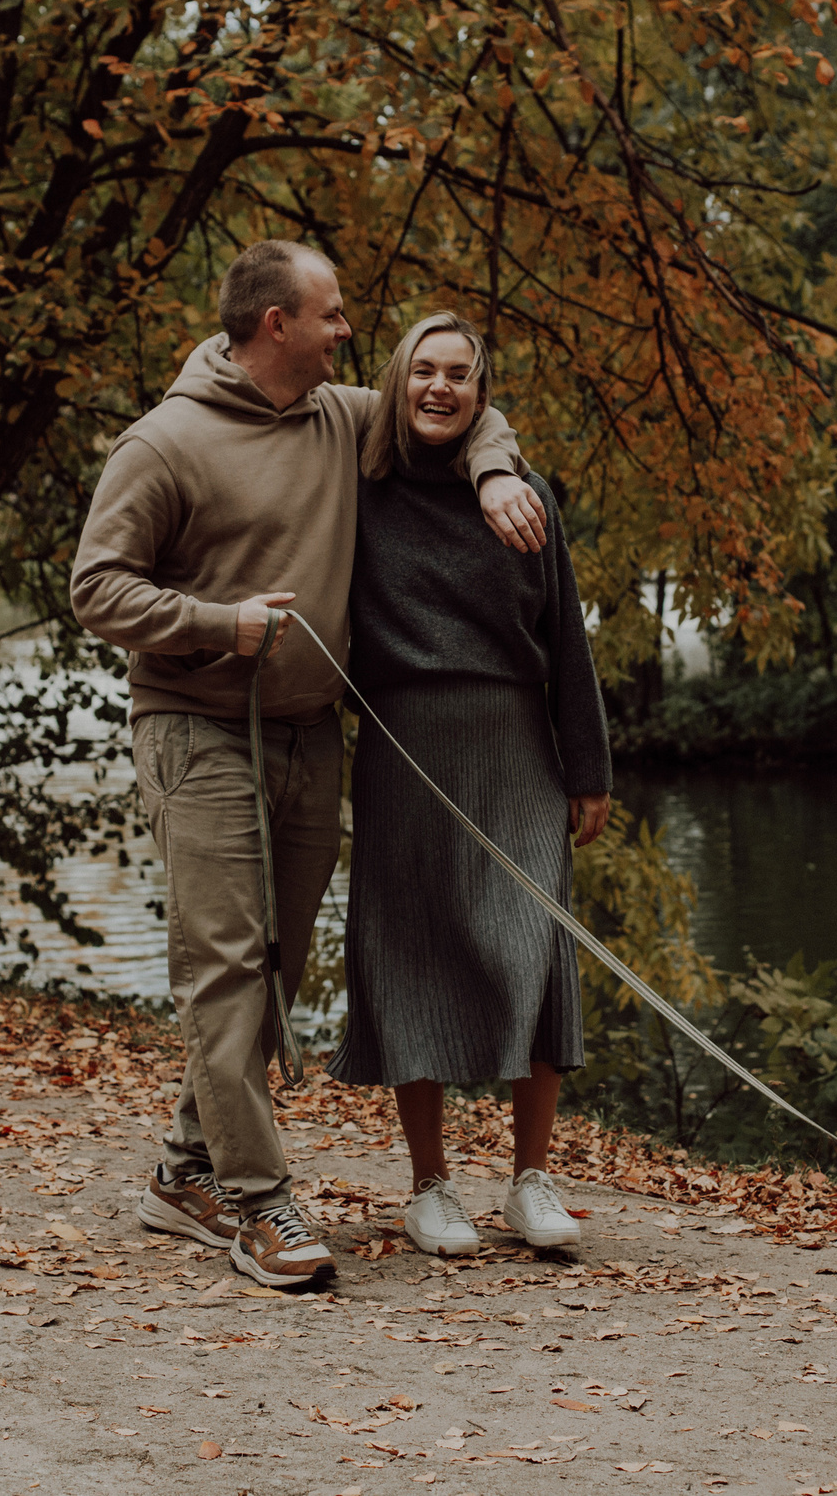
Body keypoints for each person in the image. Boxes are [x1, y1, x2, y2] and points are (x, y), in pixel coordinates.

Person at [69, 244, 547, 1289]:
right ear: (275, 324)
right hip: (197, 733)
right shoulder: (165, 443)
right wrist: (213, 623)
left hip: (310, 735)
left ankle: (183, 1170)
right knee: (228, 964)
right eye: (331, 315)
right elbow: (96, 587)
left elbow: (454, 406)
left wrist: (496, 463)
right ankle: (256, 1203)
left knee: (277, 967)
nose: (347, 333)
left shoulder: (340, 420)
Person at [325, 311, 612, 1256]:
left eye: (460, 374)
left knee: (531, 945)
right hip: (404, 746)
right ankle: (429, 1185)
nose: (440, 387)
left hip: (517, 744)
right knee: (413, 949)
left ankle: (531, 1179)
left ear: (484, 396)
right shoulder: (358, 488)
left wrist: (588, 763)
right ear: (396, 382)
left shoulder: (527, 497)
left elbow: (566, 637)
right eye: (423, 371)